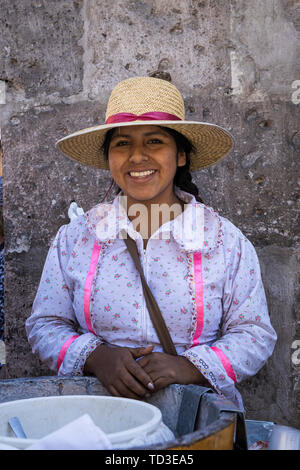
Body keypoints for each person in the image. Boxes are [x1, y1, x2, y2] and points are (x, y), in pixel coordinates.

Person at [26, 77, 277, 409]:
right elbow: (45, 324)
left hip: (197, 419)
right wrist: (97, 358)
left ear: (182, 154)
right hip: (99, 420)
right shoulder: (77, 238)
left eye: (155, 141)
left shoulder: (224, 241)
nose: (137, 156)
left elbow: (254, 334)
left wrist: (189, 366)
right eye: (122, 143)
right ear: (109, 158)